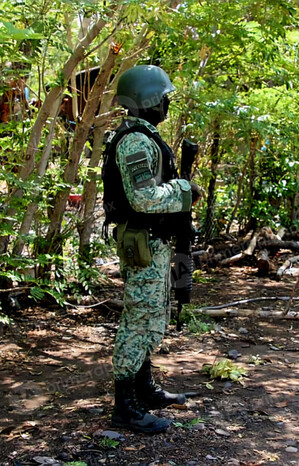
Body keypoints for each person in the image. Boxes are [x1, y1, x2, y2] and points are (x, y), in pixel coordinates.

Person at [102, 65, 201, 434]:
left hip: (153, 243)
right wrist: (184, 191)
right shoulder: (136, 142)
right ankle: (124, 406)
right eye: (163, 96)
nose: (167, 102)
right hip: (141, 243)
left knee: (151, 315)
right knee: (138, 319)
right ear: (148, 99)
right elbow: (142, 197)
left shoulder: (144, 136)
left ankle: (142, 387)